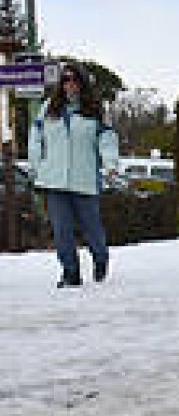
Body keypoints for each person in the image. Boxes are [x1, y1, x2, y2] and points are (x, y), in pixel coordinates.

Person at [29, 63, 120, 288]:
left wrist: (110, 164)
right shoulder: (49, 107)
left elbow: (107, 139)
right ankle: (71, 273)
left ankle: (100, 258)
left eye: (74, 80)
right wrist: (36, 164)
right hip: (54, 180)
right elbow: (36, 137)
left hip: (84, 180)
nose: (70, 84)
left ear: (82, 83)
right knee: (62, 231)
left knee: (92, 229)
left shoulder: (95, 109)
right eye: (66, 80)